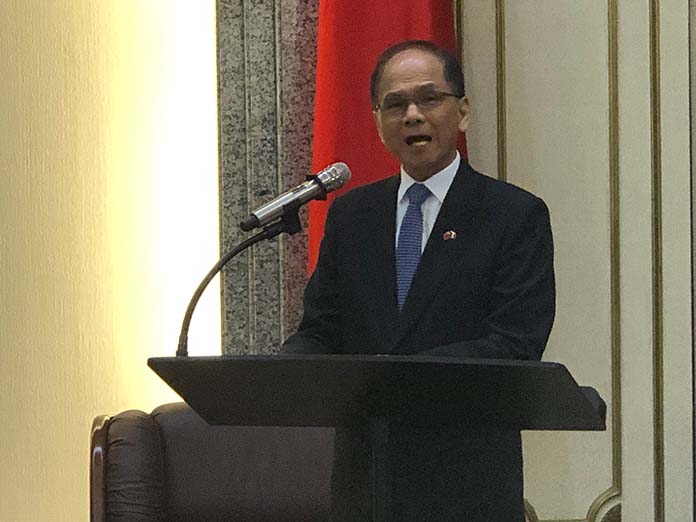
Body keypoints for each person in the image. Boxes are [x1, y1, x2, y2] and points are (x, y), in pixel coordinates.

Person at [283, 40, 555, 522]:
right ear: (378, 121)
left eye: (429, 98)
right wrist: (276, 371)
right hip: (366, 480)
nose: (412, 115)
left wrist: (393, 377)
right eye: (395, 104)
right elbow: (322, 330)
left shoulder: (512, 215)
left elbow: (514, 344)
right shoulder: (352, 216)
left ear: (462, 112)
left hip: (467, 480)